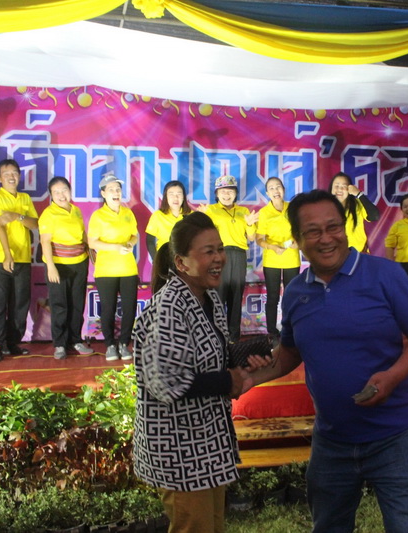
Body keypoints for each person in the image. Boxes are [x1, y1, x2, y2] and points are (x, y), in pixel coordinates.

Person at [249, 189, 408, 533]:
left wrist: (393, 376)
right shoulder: (296, 292)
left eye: (333, 227)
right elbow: (290, 352)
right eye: (313, 231)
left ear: (345, 227)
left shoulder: (385, 274)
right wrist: (247, 379)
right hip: (331, 441)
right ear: (297, 239)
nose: (326, 239)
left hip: (394, 437)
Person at [132, 212, 270, 533]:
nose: (220, 257)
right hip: (180, 449)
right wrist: (227, 380)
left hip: (206, 443)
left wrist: (246, 359)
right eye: (209, 251)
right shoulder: (169, 307)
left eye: (220, 249)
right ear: (181, 263)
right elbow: (165, 382)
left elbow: (210, 356)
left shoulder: (207, 298)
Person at [0, 159, 39, 363]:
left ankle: (12, 342)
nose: (11, 176)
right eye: (6, 173)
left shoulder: (25, 198)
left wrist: (17, 216)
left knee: (20, 303)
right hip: (0, 258)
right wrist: (7, 254)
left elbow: (35, 224)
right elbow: (0, 225)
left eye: (15, 173)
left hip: (23, 257)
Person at [38, 176, 94, 360]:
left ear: (70, 191)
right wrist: (51, 267)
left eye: (64, 190)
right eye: (56, 192)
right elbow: (45, 241)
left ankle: (75, 340)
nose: (61, 195)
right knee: (59, 305)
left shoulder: (76, 211)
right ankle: (60, 344)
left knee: (77, 304)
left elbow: (82, 233)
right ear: (51, 195)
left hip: (80, 263)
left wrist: (91, 249)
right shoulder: (48, 214)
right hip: (58, 265)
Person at [199, 175, 258, 343]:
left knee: (236, 294)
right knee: (218, 294)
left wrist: (249, 224)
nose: (227, 195)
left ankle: (233, 337)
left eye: (230, 191)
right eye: (223, 191)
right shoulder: (210, 210)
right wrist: (203, 218)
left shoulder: (243, 211)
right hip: (218, 254)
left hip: (239, 255)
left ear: (236, 193)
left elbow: (251, 238)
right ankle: (216, 336)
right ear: (217, 194)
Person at [88, 172, 138, 362]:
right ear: (103, 193)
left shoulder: (128, 213)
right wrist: (115, 247)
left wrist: (130, 244)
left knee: (129, 308)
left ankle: (124, 343)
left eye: (118, 189)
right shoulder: (98, 216)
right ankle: (109, 344)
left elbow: (135, 235)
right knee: (108, 309)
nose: (116, 193)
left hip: (128, 268)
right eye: (111, 190)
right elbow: (92, 242)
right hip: (106, 270)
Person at [255, 177, 300, 339]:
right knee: (273, 296)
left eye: (278, 187)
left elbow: (301, 231)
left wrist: (298, 242)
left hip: (291, 257)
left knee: (291, 295)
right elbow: (259, 239)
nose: (276, 190)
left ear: (284, 189)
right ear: (267, 193)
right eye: (272, 188)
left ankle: (290, 330)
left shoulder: (293, 209)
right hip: (272, 259)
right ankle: (272, 332)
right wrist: (272, 247)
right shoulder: (264, 213)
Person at [329, 172, 380, 253]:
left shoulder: (357, 204)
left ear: (350, 189)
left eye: (344, 186)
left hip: (358, 254)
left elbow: (374, 216)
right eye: (336, 186)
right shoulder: (325, 208)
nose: (340, 189)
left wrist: (359, 194)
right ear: (331, 189)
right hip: (334, 255)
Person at [145, 180, 192, 260]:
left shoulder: (192, 216)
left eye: (179, 194)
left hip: (187, 261)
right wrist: (156, 260)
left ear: (183, 197)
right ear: (166, 197)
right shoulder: (158, 216)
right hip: (165, 261)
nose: (175, 198)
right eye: (171, 194)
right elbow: (150, 241)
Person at [384, 193, 408, 288]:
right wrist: (391, 266)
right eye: (405, 207)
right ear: (401, 210)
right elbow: (389, 246)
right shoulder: (397, 226)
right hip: (404, 267)